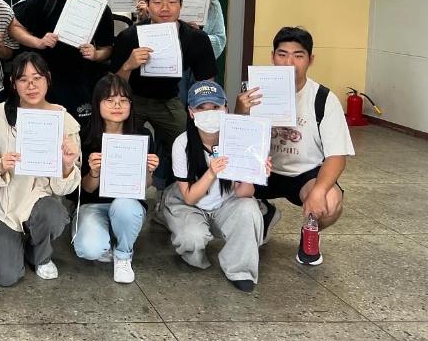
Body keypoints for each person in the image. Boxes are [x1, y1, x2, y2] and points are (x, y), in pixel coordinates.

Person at [235, 27, 355, 266]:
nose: (289, 62)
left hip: (304, 174)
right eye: (282, 54)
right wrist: (240, 110)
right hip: (262, 170)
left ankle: (310, 230)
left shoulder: (323, 99)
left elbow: (337, 156)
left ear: (310, 59)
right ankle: (263, 212)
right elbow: (237, 139)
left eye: (298, 55)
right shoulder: (254, 91)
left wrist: (318, 191)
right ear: (272, 57)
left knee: (330, 202)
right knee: (226, 194)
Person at [0, 53, 81, 286]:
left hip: (41, 203)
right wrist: (0, 165)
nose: (31, 85)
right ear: (13, 83)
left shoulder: (64, 120)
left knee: (51, 213)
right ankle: (15, 243)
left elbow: (65, 188)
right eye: (23, 79)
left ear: (48, 79)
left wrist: (66, 165)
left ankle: (40, 254)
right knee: (5, 276)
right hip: (5, 206)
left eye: (37, 78)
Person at [162, 80, 270, 293]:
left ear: (226, 109)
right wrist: (211, 172)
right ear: (191, 112)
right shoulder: (182, 143)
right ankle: (170, 218)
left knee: (250, 210)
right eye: (201, 108)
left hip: (226, 202)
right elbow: (190, 198)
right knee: (191, 238)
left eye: (215, 107)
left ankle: (240, 270)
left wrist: (254, 173)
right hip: (189, 204)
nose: (209, 112)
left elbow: (244, 193)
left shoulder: (240, 139)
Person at [111, 0, 217, 188]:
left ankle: (192, 189)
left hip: (169, 100)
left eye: (172, 2)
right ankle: (120, 187)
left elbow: (207, 84)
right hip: (133, 99)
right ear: (147, 4)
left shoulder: (195, 38)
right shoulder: (129, 36)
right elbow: (113, 86)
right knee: (115, 135)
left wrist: (203, 114)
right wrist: (129, 65)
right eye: (158, 2)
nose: (165, 8)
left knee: (191, 140)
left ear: (181, 4)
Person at [10, 0, 115, 125]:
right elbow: (14, 27)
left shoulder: (102, 10)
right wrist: (38, 42)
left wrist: (96, 54)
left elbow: (107, 48)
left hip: (79, 85)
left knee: (75, 133)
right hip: (40, 83)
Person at [74, 74, 159, 283]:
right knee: (89, 249)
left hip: (128, 204)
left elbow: (146, 186)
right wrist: (94, 172)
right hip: (93, 204)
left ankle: (123, 254)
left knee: (124, 206)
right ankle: (105, 238)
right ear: (97, 104)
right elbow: (86, 189)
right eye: (109, 100)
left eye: (123, 100)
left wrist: (149, 171)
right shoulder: (85, 136)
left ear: (131, 104)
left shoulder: (142, 136)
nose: (117, 106)